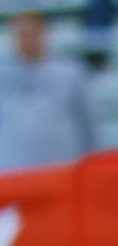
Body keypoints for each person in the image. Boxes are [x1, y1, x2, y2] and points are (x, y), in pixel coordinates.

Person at [0, 11, 93, 173]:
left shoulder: (69, 73)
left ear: (44, 33)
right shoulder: (3, 75)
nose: (27, 41)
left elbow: (87, 122)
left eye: (32, 34)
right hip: (13, 170)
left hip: (61, 166)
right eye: (22, 35)